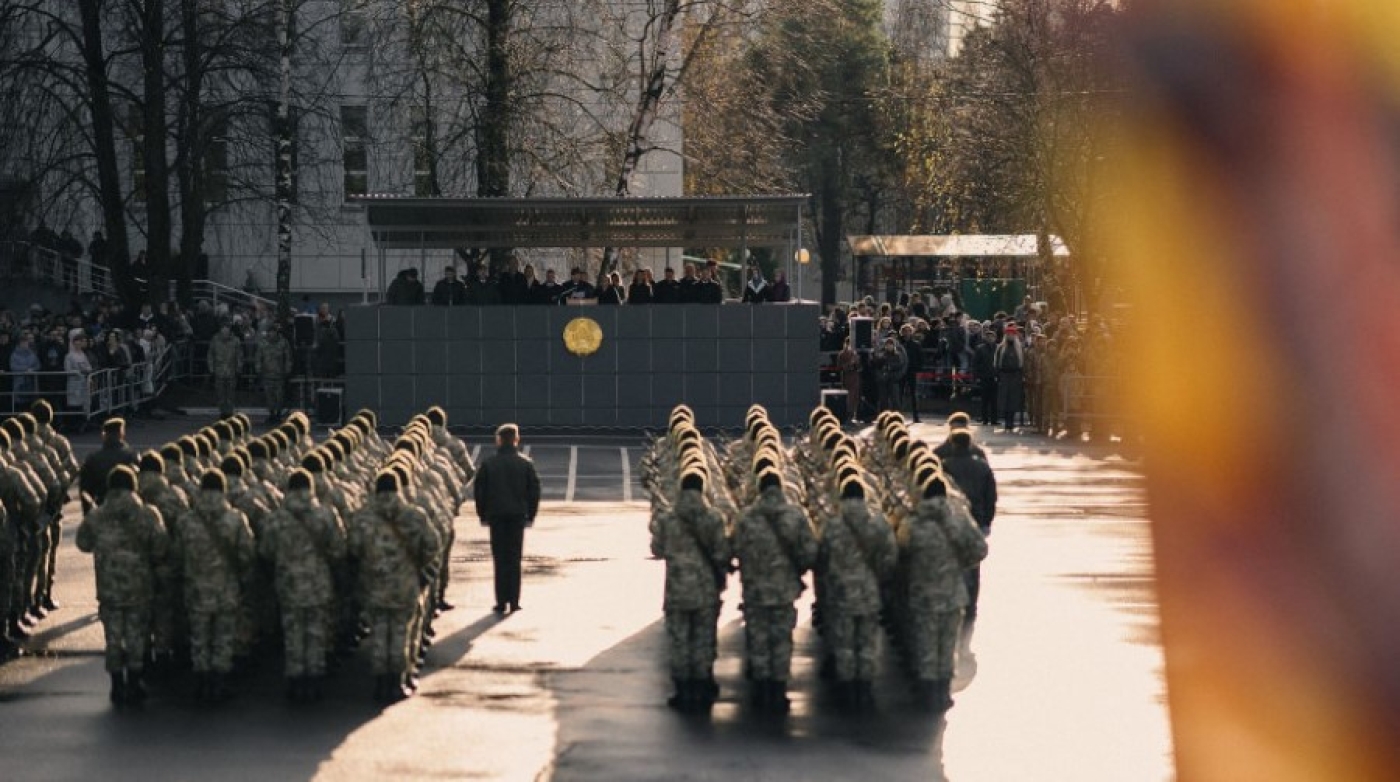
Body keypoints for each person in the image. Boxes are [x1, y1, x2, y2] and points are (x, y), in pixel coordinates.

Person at [75, 465, 168, 706]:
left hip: (109, 586)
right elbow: (160, 546)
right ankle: (135, 681)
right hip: (140, 584)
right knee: (137, 634)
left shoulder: (97, 516)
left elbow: (83, 543)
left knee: (113, 636)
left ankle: (116, 683)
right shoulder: (148, 514)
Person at [349, 470, 440, 703]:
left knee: (379, 633)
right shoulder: (414, 516)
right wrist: (416, 564)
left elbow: (353, 549)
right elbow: (432, 545)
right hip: (404, 584)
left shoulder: (363, 518)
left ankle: (380, 683)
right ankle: (396, 682)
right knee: (401, 634)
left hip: (374, 584)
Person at [898, 477, 987, 711]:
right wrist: (962, 564)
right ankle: (943, 691)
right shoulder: (959, 521)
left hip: (922, 592)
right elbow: (980, 549)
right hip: (952, 591)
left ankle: (927, 693)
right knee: (948, 645)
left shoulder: (913, 523)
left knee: (925, 644)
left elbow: (901, 552)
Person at [731, 470, 817, 713]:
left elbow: (734, 548)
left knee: (758, 638)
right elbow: (809, 552)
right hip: (784, 589)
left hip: (755, 589)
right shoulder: (795, 516)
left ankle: (761, 687)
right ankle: (778, 689)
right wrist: (797, 569)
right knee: (781, 639)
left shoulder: (746, 518)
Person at [260, 468, 346, 702]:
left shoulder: (276, 519)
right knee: (316, 633)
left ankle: (295, 681)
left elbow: (266, 551)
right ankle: (314, 681)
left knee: (293, 634)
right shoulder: (326, 515)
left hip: (288, 584)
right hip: (317, 582)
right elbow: (338, 550)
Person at [649, 470, 730, 713]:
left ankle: (683, 689)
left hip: (677, 589)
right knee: (704, 639)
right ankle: (702, 684)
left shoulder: (668, 519)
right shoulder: (713, 518)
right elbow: (722, 552)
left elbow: (657, 549)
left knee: (680, 640)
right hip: (706, 589)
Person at [172, 469, 255, 703]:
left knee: (199, 637)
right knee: (223, 637)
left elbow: (176, 555)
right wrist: (244, 580)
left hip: (196, 589)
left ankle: (202, 681)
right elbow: (247, 554)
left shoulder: (186, 521)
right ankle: (219, 683)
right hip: (226, 589)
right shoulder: (236, 519)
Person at [817, 478, 896, 712]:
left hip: (840, 593)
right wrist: (878, 576)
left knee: (844, 644)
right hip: (868, 590)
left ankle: (847, 689)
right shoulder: (878, 524)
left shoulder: (832, 526)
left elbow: (822, 558)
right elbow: (890, 557)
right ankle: (865, 689)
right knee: (866, 643)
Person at [473, 423, 541, 614]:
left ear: (499, 440)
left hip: (496, 515)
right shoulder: (525, 464)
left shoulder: (488, 464)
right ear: (516, 440)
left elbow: (480, 491)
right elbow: (534, 491)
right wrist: (531, 514)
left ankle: (501, 601)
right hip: (517, 515)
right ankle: (514, 600)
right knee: (514, 558)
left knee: (500, 558)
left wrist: (482, 514)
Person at [938, 427, 997, 621]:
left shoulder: (945, 466)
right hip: (977, 519)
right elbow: (991, 496)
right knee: (973, 565)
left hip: (953, 519)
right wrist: (987, 520)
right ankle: (971, 606)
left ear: (953, 444)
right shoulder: (982, 466)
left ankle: (955, 602)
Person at [79, 418, 139, 513]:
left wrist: (88, 514)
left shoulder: (93, 458)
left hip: (103, 507)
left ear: (104, 435)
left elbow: (85, 491)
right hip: (128, 508)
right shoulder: (131, 456)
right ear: (121, 434)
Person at [256, 325, 293, 423]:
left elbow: (288, 358)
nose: (271, 334)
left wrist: (287, 370)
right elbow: (259, 357)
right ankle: (272, 414)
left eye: (273, 332)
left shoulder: (283, 343)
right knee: (269, 396)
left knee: (279, 396)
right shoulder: (263, 344)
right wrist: (258, 369)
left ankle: (278, 414)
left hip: (279, 374)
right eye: (270, 332)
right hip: (267, 374)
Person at [995, 324, 1025, 431]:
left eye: (1012, 334)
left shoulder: (1019, 348)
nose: (1010, 336)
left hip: (1015, 376)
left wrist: (1022, 376)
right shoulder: (1001, 348)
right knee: (1004, 399)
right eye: (1008, 334)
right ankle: (1007, 421)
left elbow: (1023, 364)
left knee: (1013, 399)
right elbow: (997, 363)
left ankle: (1011, 421)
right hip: (1004, 375)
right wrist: (998, 376)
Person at [208, 324, 241, 418]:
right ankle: (222, 412)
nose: (225, 333)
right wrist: (211, 369)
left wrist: (239, 368)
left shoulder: (236, 341)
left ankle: (229, 412)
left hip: (231, 371)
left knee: (230, 394)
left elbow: (239, 355)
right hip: (219, 371)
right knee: (220, 394)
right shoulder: (215, 340)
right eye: (223, 331)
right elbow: (210, 355)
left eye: (227, 331)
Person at [972, 329, 999, 426]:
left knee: (994, 400)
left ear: (995, 338)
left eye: (992, 336)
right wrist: (977, 376)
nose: (990, 338)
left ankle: (994, 419)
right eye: (988, 337)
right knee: (984, 400)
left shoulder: (998, 348)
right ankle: (985, 419)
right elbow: (975, 363)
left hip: (995, 377)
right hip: (984, 377)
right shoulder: (980, 348)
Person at [64, 331, 93, 415]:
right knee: (74, 404)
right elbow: (67, 370)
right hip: (74, 384)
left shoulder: (83, 355)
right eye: (76, 342)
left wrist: (86, 370)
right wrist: (78, 371)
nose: (78, 344)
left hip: (83, 383)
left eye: (80, 342)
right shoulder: (69, 356)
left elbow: (89, 367)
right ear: (73, 343)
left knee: (84, 403)